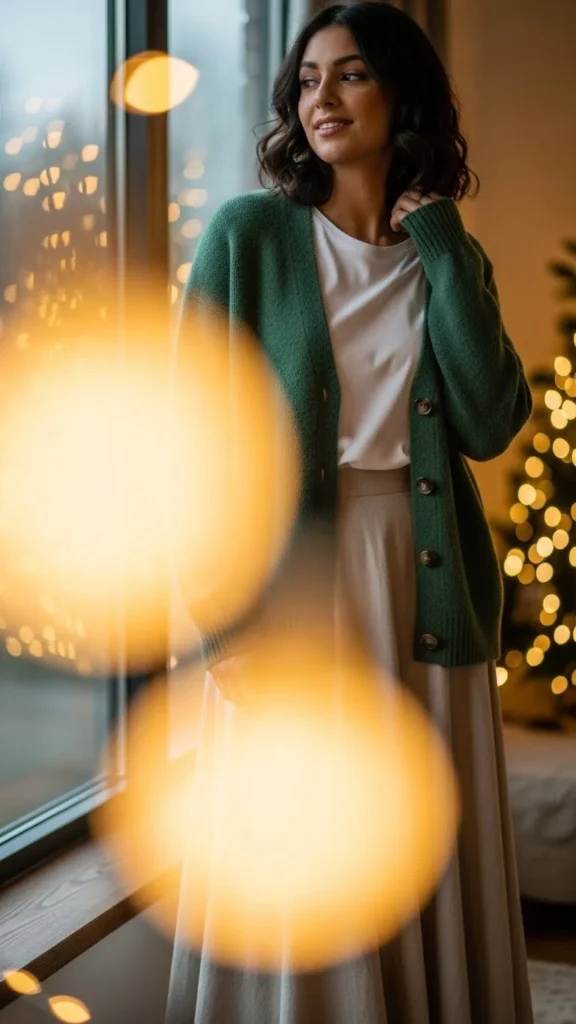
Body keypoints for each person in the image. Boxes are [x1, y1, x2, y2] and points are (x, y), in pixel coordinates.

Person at [166, 3, 535, 1022]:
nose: (320, 97)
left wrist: (443, 241)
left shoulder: (445, 254)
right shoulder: (251, 234)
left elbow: (492, 418)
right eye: (309, 78)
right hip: (292, 585)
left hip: (424, 582)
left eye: (352, 74)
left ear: (402, 93)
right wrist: (225, 620)